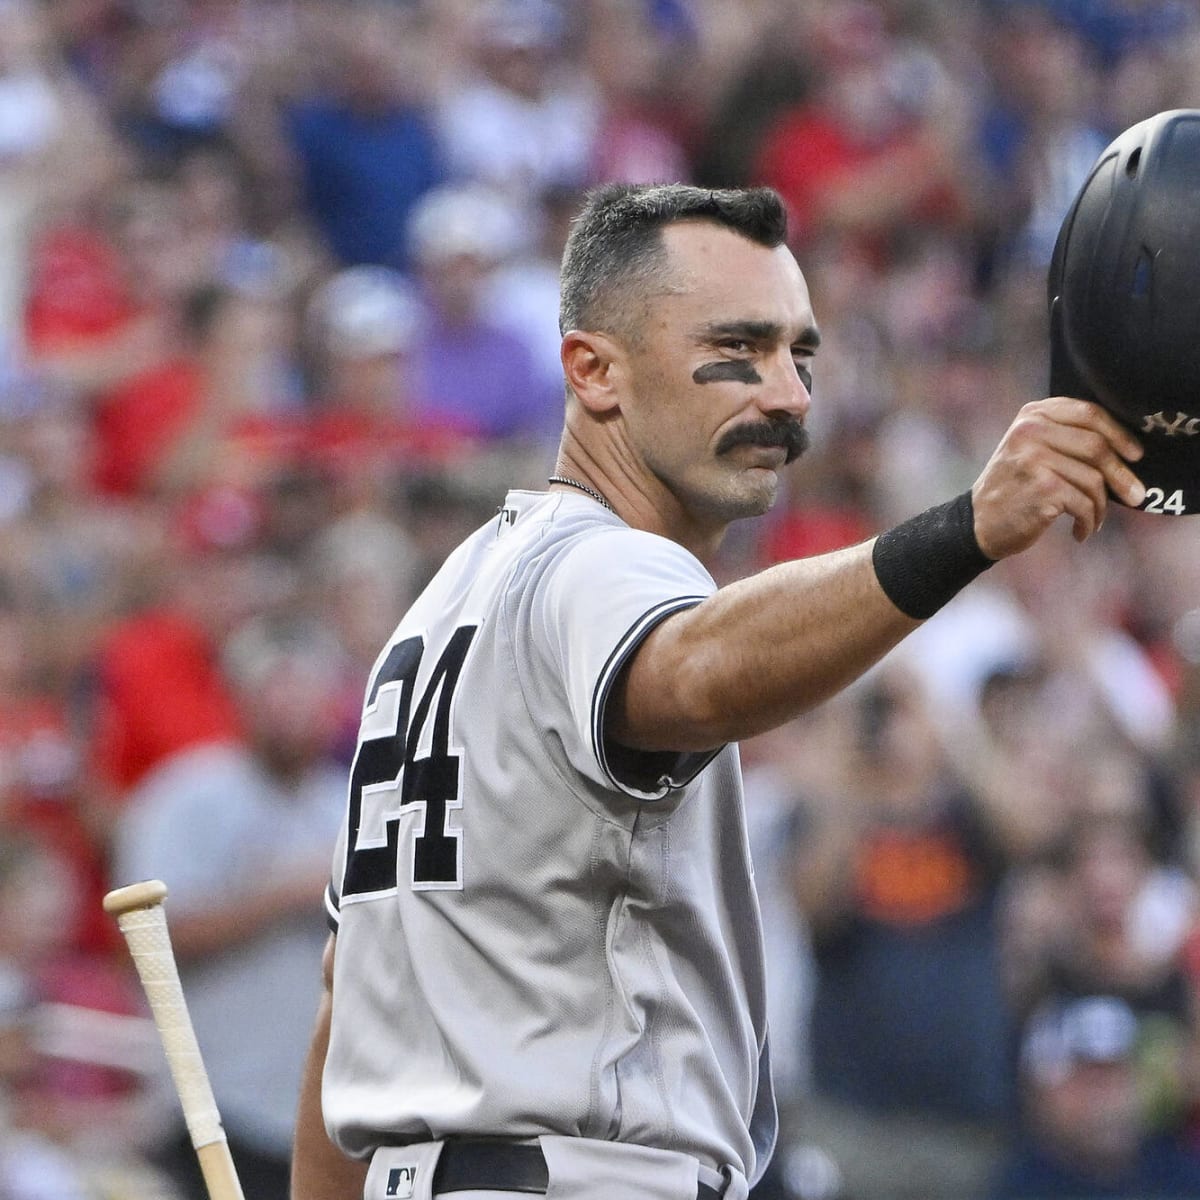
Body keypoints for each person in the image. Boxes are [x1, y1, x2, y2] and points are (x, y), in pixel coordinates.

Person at [291, 182, 1146, 1200]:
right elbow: (692, 672)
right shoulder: (600, 566)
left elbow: (348, 1009)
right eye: (738, 349)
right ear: (593, 370)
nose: (786, 395)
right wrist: (966, 532)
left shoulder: (434, 619)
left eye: (801, 355)